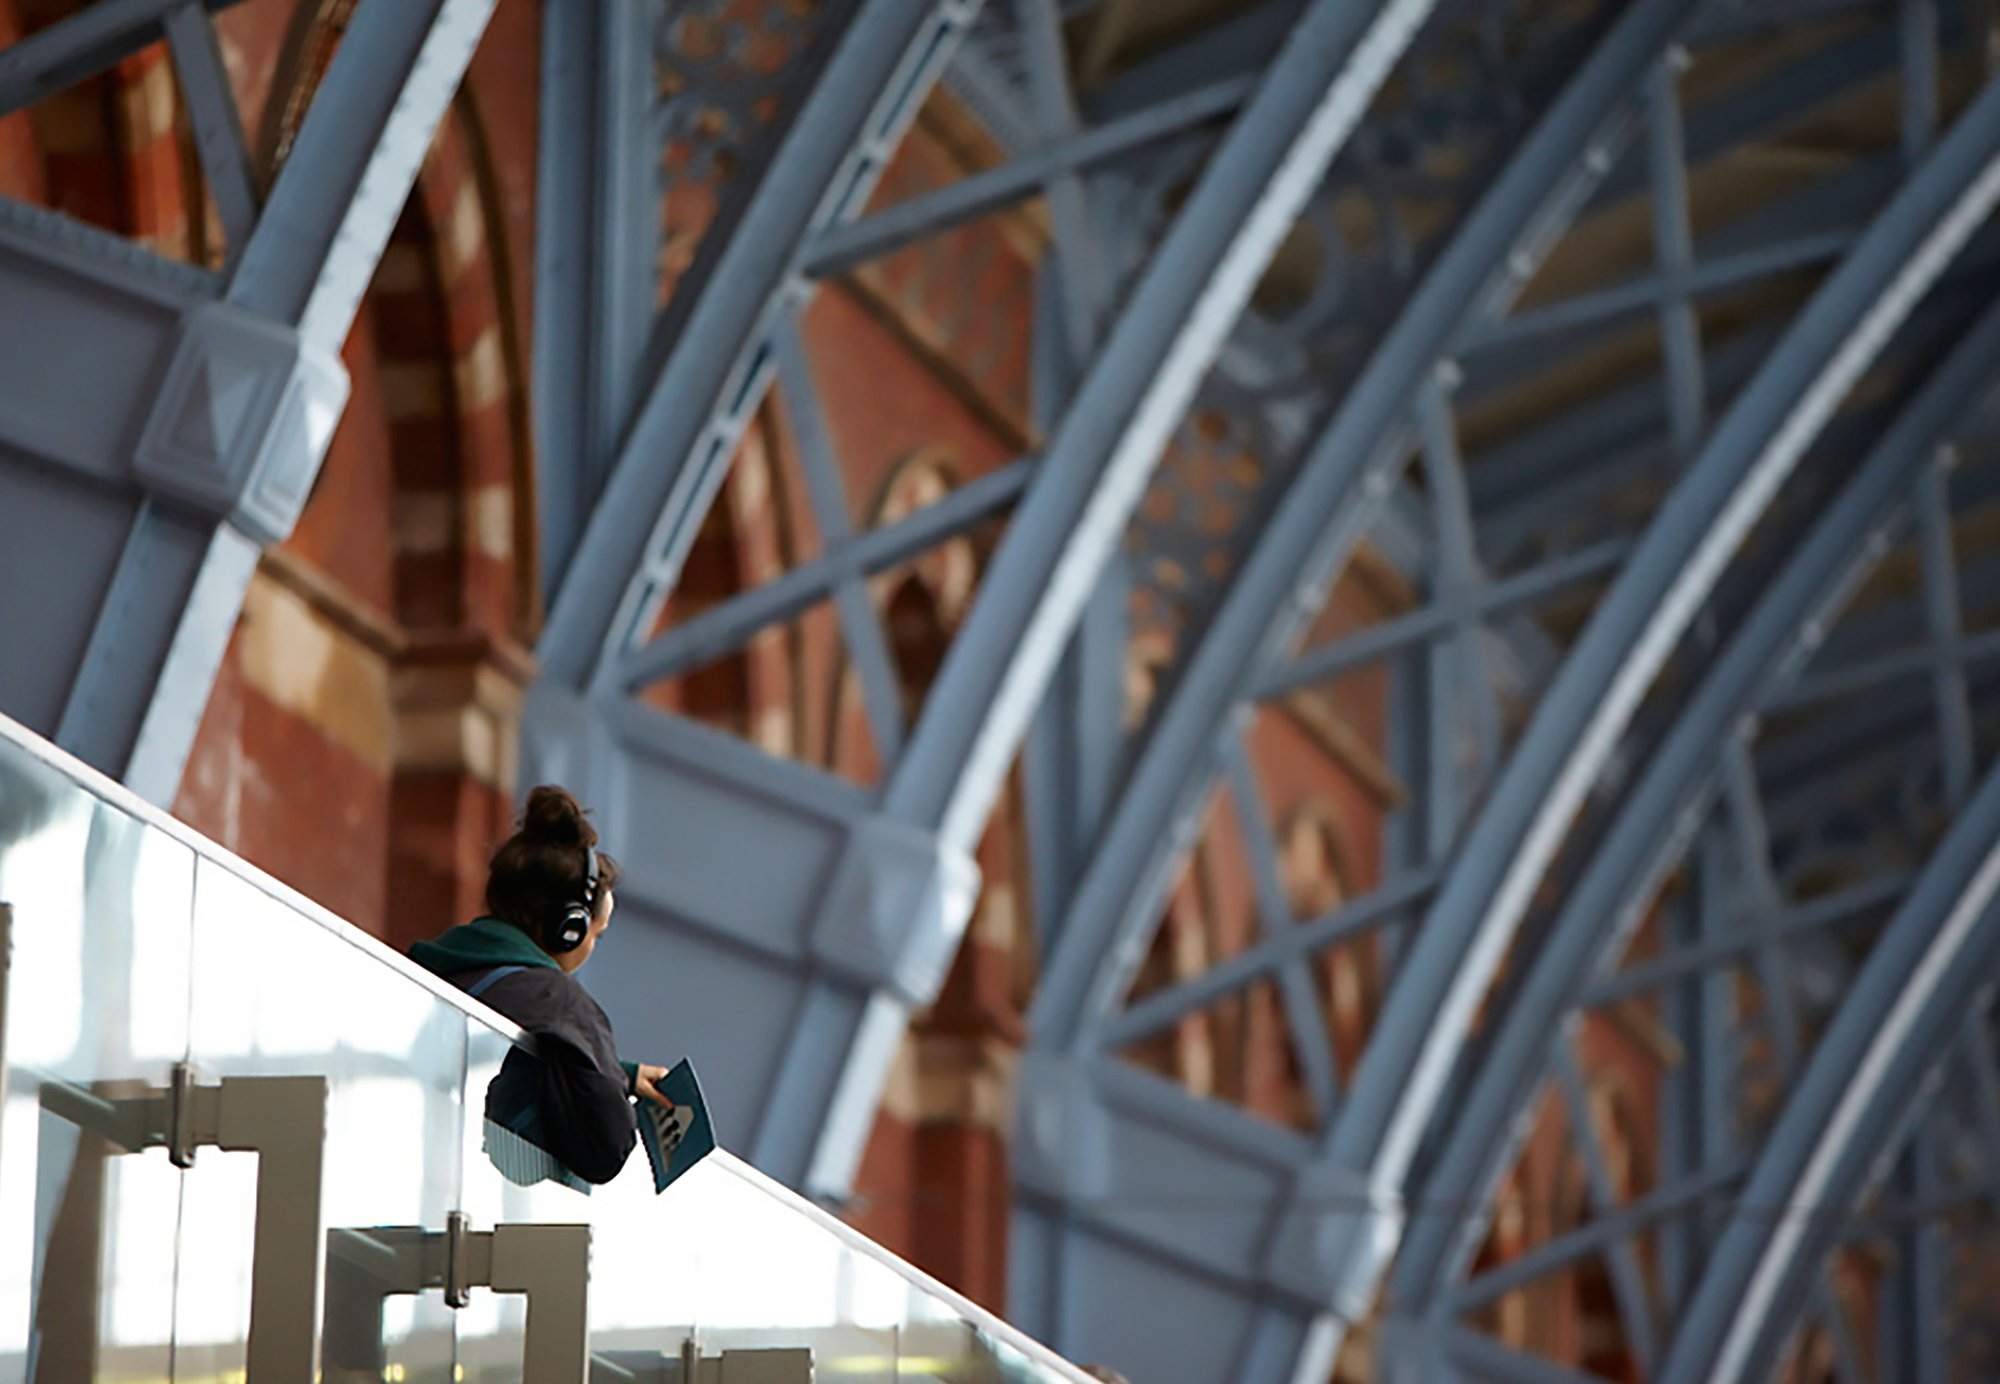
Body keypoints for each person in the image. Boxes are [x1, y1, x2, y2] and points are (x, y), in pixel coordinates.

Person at [410, 785, 672, 1184]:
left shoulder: (428, 968)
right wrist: (602, 1066)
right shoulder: (559, 1003)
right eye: (595, 934)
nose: (592, 947)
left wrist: (619, 1071)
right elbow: (607, 1149)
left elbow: (505, 1047)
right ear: (569, 929)